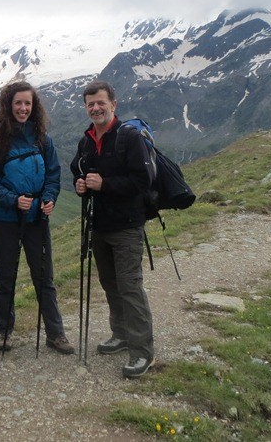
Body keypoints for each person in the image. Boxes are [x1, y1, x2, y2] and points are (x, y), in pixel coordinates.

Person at [70, 80, 156, 378]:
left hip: (127, 227)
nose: (95, 108)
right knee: (110, 284)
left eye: (100, 103)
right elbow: (77, 170)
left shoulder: (129, 138)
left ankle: (143, 351)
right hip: (100, 226)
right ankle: (120, 335)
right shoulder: (86, 141)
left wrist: (104, 184)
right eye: (90, 104)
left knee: (130, 287)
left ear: (113, 104)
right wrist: (80, 185)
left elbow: (142, 181)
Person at [0, 81, 75, 355]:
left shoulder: (43, 140)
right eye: (18, 103)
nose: (23, 108)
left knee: (44, 276)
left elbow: (53, 175)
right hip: (6, 219)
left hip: (36, 219)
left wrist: (49, 198)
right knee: (5, 276)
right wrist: (13, 200)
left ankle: (55, 334)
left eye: (27, 104)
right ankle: (4, 331)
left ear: (34, 108)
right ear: (9, 106)